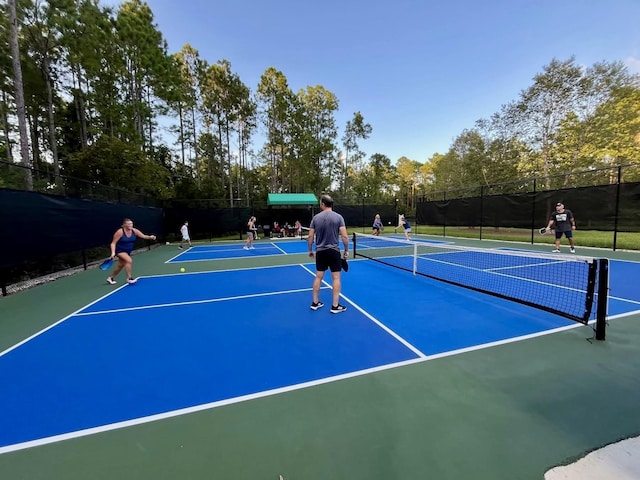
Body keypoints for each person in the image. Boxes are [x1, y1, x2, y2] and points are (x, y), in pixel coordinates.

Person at [308, 195, 349, 314]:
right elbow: (344, 236)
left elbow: (310, 236)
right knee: (336, 278)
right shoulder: (339, 217)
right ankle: (335, 306)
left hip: (320, 252)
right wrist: (346, 249)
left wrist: (310, 250)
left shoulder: (315, 218)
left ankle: (315, 303)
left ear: (323, 204)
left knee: (318, 277)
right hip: (334, 252)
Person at [106, 218, 156, 285]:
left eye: (131, 224)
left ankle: (110, 278)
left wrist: (150, 237)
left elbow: (143, 236)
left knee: (120, 265)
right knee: (129, 260)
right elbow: (113, 243)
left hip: (128, 251)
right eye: (129, 224)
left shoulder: (134, 231)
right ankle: (129, 278)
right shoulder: (120, 232)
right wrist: (113, 253)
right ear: (124, 225)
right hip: (119, 250)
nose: (131, 225)